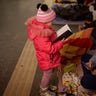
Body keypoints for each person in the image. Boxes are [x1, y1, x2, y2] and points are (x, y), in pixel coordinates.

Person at [25, 3, 64, 96]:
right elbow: (50, 49)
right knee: (47, 74)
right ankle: (43, 90)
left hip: (48, 58)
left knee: (49, 74)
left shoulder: (43, 28)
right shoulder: (41, 35)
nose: (52, 23)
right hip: (46, 59)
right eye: (51, 21)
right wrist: (61, 43)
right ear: (45, 21)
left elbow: (49, 40)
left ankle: (46, 86)